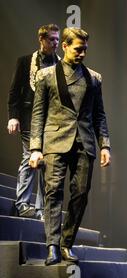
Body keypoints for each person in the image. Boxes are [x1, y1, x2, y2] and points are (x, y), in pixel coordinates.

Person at [29, 27, 111, 266]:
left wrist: (105, 144)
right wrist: (35, 148)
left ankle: (66, 242)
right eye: (78, 48)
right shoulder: (45, 76)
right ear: (64, 46)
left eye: (85, 49)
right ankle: (52, 246)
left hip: (84, 143)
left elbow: (100, 115)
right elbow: (38, 114)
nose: (82, 53)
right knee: (53, 192)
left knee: (81, 194)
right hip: (55, 141)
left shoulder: (94, 78)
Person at [6, 24, 60, 219]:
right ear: (41, 40)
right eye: (51, 39)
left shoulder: (61, 65)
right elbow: (14, 92)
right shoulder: (25, 61)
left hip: (52, 122)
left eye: (57, 39)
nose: (55, 43)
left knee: (46, 163)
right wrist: (13, 116)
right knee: (30, 158)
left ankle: (40, 209)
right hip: (29, 119)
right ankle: (22, 203)